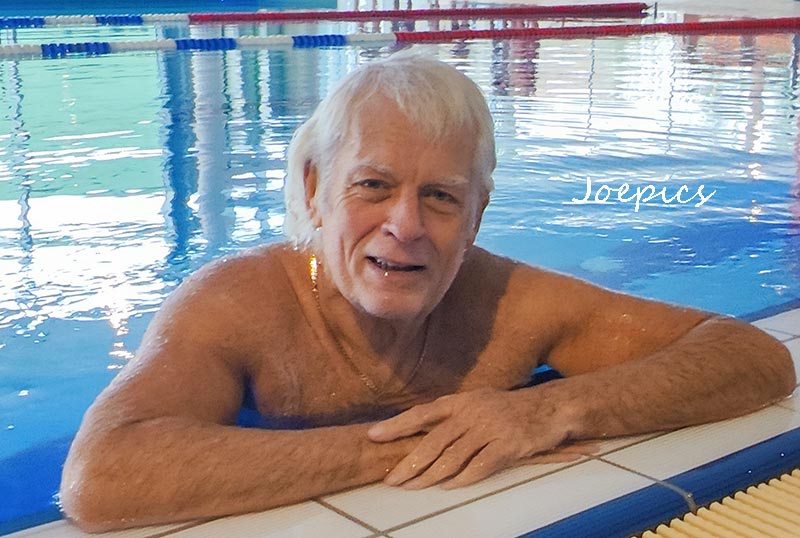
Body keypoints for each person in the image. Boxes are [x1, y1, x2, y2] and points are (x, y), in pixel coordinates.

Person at [60, 50, 795, 533]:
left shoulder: (511, 303)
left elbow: (753, 357)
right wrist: (414, 448)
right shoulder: (237, 305)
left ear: (477, 214)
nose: (406, 226)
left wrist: (547, 410)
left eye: (441, 197)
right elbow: (102, 474)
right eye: (373, 186)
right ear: (315, 190)